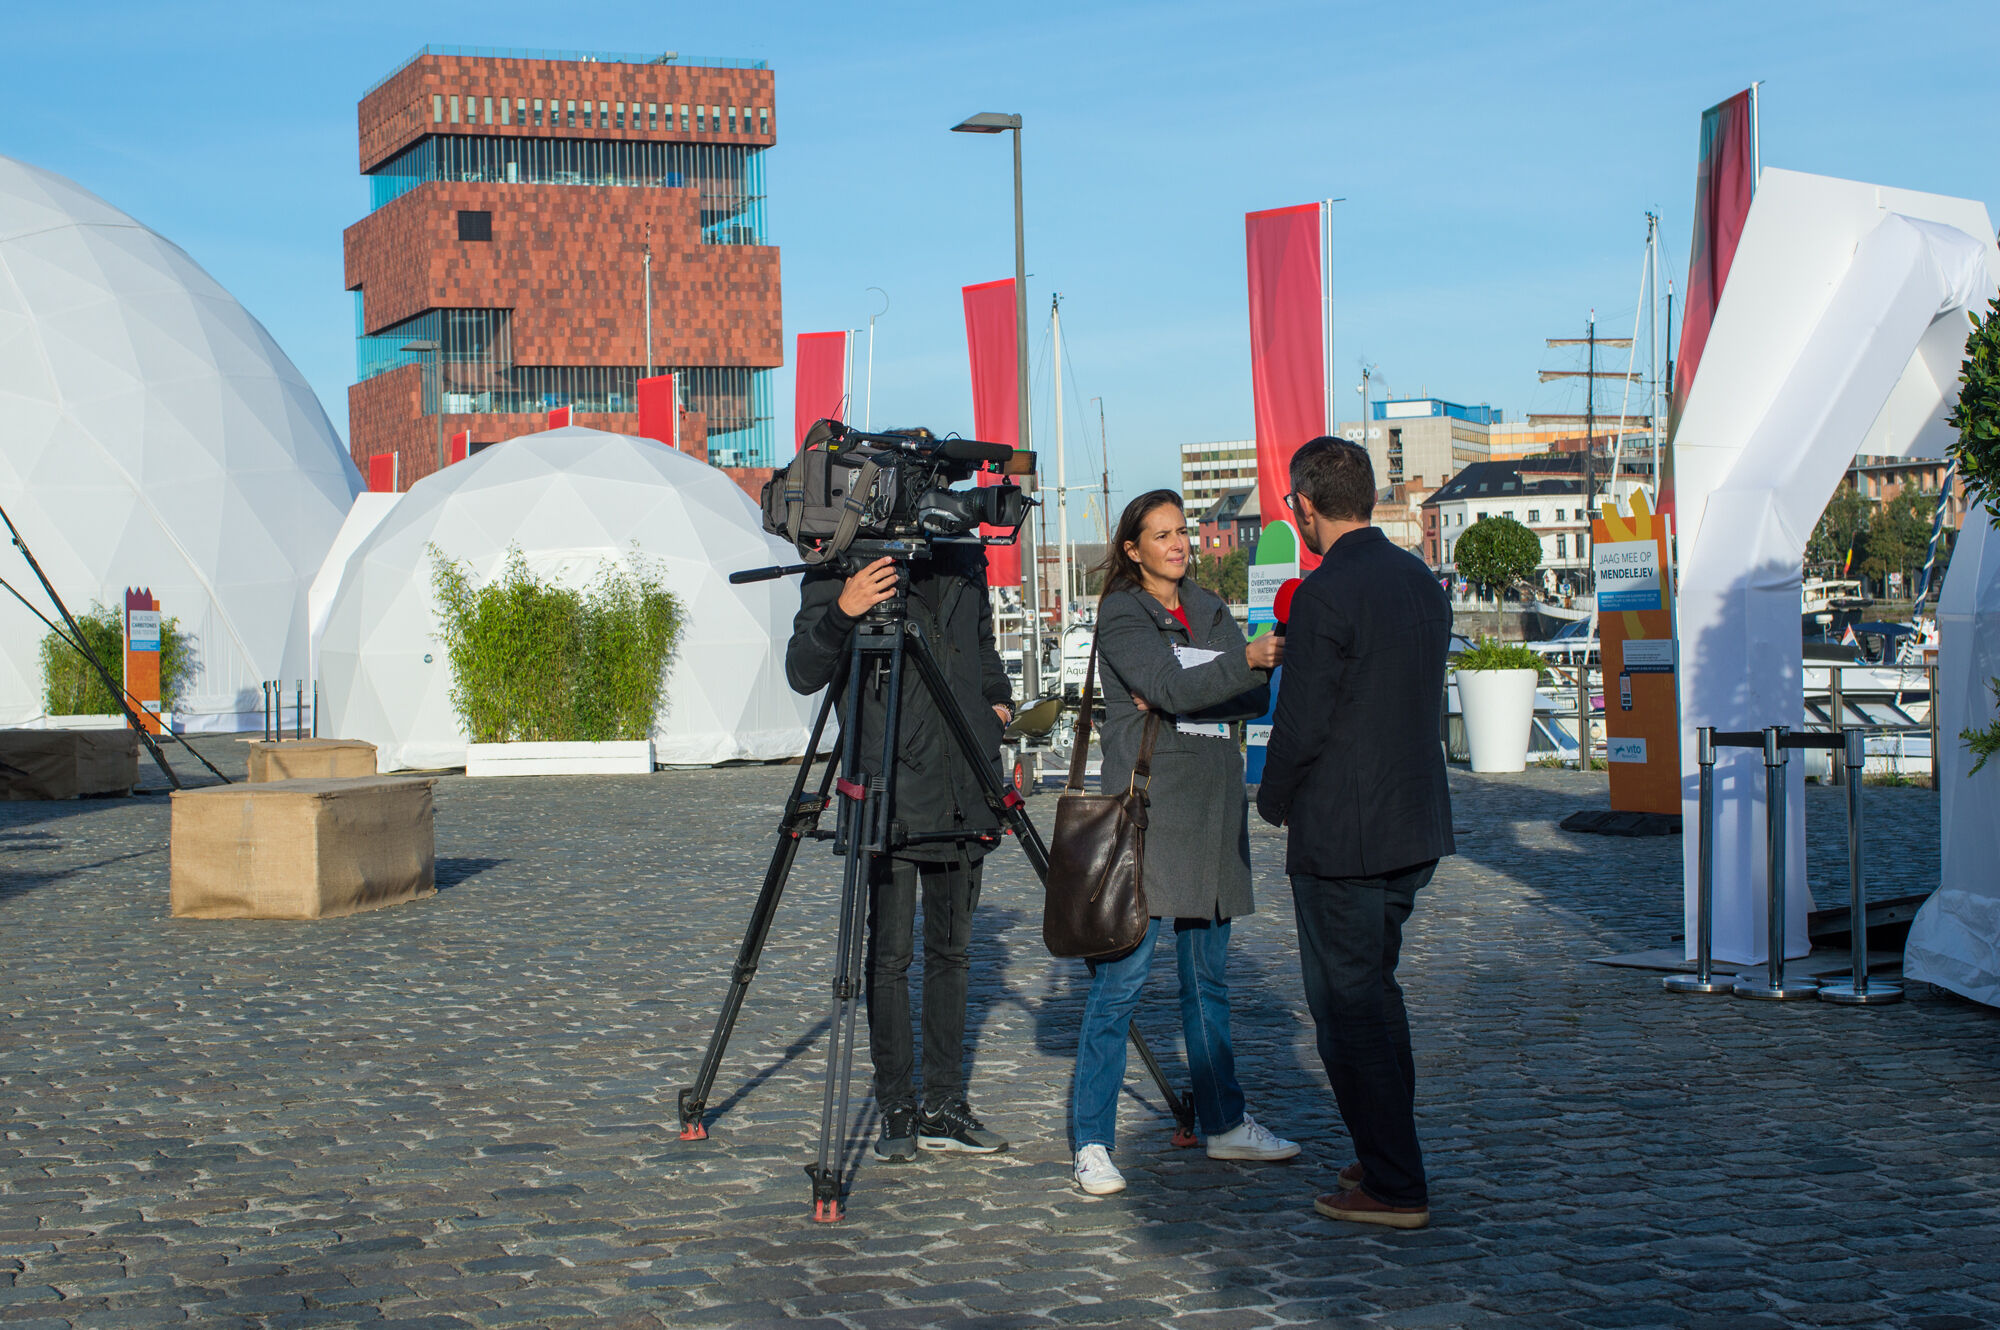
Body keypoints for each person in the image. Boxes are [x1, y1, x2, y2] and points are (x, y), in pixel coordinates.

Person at [1070, 489, 1301, 1197]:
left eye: (1183, 531)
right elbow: (1171, 683)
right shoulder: (1122, 612)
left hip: (1208, 807)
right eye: (1161, 534)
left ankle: (1224, 1124)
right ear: (1132, 548)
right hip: (1146, 813)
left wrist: (1195, 685)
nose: (1177, 543)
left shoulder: (1207, 606)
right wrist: (1208, 678)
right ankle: (1092, 1141)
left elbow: (1248, 698)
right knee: (1123, 985)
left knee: (1208, 983)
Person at [1255, 436, 1455, 1231]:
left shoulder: (1325, 591)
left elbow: (1301, 721)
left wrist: (1273, 799)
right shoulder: (1419, 579)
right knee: (1379, 994)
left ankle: (1396, 1182)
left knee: (1348, 1012)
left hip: (1346, 831)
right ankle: (1384, 1153)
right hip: (1412, 823)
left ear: (1304, 505)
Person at [787, 539, 1015, 1161]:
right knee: (887, 957)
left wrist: (998, 708)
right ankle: (897, 1108)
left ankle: (943, 1106)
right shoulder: (842, 558)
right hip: (887, 782)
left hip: (966, 775)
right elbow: (803, 670)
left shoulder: (963, 554)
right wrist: (845, 606)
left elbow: (983, 649)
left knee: (953, 952)